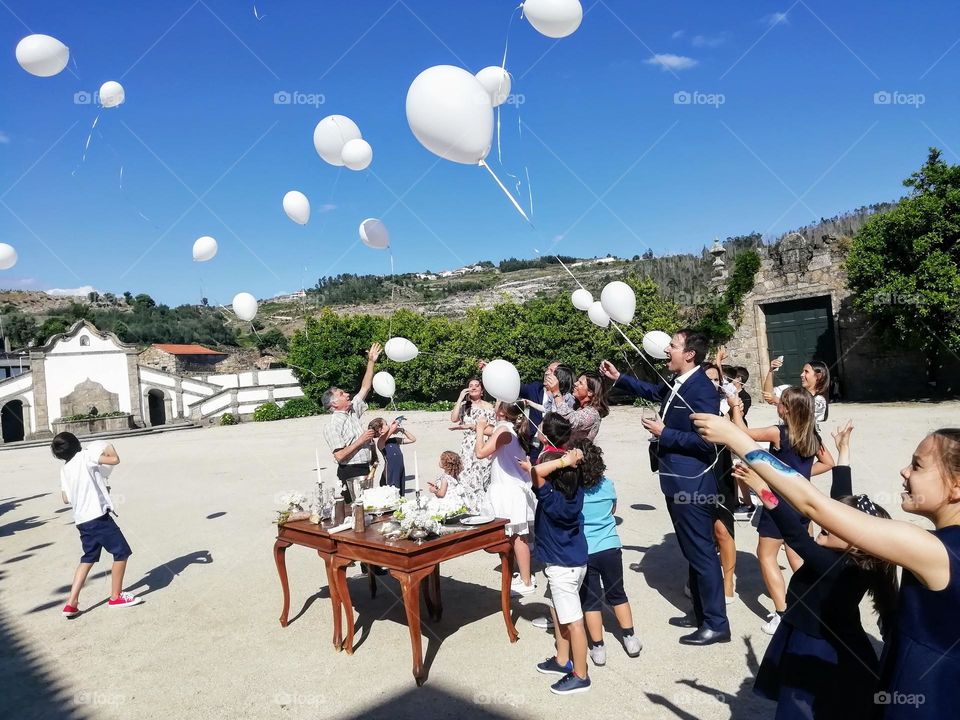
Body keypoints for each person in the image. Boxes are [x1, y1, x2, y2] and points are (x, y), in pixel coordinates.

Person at [691, 417, 960, 720]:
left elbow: (813, 506)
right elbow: (838, 501)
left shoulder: (934, 551)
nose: (904, 471)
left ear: (956, 485)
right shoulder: (934, 549)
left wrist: (737, 439)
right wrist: (843, 452)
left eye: (918, 465)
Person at [735, 421, 898, 719]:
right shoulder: (855, 556)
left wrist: (763, 490)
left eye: (837, 526)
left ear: (855, 544)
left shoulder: (834, 565)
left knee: (800, 705)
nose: (826, 523)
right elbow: (840, 499)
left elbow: (796, 537)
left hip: (813, 643)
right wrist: (843, 452)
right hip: (818, 634)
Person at [600, 328, 730, 646]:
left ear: (690, 354)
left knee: (702, 554)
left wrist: (664, 433)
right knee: (692, 552)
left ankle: (717, 623)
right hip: (676, 482)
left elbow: (708, 442)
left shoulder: (702, 389)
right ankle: (700, 613)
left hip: (693, 485)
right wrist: (619, 378)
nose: (666, 349)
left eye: (672, 345)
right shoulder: (678, 381)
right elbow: (655, 391)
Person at [728, 386, 834, 634]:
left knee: (766, 555)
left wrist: (735, 408)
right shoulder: (812, 435)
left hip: (778, 503)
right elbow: (829, 462)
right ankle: (815, 600)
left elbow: (741, 435)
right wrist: (799, 476)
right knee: (797, 553)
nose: (777, 404)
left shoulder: (779, 432)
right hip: (802, 501)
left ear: (786, 409)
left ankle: (782, 612)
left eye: (781, 402)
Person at [530, 441, 604, 695]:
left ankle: (581, 675)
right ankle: (562, 660)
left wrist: (563, 460)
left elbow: (535, 472)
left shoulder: (551, 499)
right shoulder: (576, 490)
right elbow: (539, 471)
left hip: (562, 570)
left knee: (574, 623)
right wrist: (571, 461)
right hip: (574, 563)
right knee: (556, 610)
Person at [53, 433, 141, 617]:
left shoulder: (65, 469)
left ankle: (71, 603)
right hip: (98, 518)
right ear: (77, 444)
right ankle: (116, 597)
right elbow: (114, 459)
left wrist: (95, 488)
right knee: (122, 552)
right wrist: (107, 445)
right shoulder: (86, 455)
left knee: (88, 558)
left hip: (82, 521)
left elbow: (66, 498)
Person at [578, 442, 643, 664]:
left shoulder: (574, 492)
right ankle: (630, 637)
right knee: (618, 594)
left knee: (591, 600)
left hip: (586, 550)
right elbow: (613, 510)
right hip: (611, 547)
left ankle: (598, 647)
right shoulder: (608, 485)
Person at [475, 402, 537, 596]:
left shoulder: (503, 430)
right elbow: (493, 435)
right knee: (514, 535)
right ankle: (522, 574)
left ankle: (526, 581)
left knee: (518, 536)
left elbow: (480, 453)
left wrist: (479, 430)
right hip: (510, 487)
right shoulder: (509, 428)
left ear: (502, 411)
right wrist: (473, 426)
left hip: (508, 489)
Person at [321, 342, 381, 503]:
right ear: (334, 403)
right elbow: (339, 456)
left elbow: (365, 387)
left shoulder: (353, 410)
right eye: (342, 394)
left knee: (368, 508)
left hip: (365, 467)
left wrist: (371, 361)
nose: (347, 394)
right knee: (354, 511)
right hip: (349, 471)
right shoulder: (332, 425)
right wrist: (361, 440)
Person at [702, 362, 738, 606]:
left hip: (721, 473)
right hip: (696, 475)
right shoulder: (688, 405)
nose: (713, 384)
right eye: (708, 379)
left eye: (716, 380)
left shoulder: (726, 406)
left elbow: (741, 438)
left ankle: (728, 582)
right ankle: (700, 579)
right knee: (702, 532)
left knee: (723, 530)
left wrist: (733, 411)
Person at [450, 377, 496, 514]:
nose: (474, 387)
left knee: (483, 477)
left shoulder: (489, 406)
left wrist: (475, 427)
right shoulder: (465, 406)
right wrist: (460, 398)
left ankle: (484, 510)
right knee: (466, 477)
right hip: (468, 447)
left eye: (477, 385)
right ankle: (471, 510)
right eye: (471, 385)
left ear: (482, 390)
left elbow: (494, 428)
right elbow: (454, 419)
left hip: (484, 444)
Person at [518, 361, 575, 460]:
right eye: (547, 369)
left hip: (555, 444)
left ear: (560, 377)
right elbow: (544, 408)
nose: (547, 373)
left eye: (552, 371)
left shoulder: (567, 398)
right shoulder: (535, 388)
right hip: (534, 444)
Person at [763, 357, 830, 425]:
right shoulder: (792, 391)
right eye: (803, 371)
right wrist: (771, 370)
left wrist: (779, 401)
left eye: (806, 372)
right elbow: (768, 394)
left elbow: (802, 416)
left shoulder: (820, 401)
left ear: (818, 376)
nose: (801, 375)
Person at [547, 371, 609, 444]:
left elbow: (571, 421)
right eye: (577, 381)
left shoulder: (592, 414)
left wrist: (556, 392)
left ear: (590, 392)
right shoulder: (579, 407)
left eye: (580, 383)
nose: (575, 384)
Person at [370, 417, 416, 493]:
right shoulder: (380, 442)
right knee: (391, 493)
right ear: (380, 430)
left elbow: (412, 439)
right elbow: (393, 428)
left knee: (400, 493)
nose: (388, 425)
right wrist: (397, 421)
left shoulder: (394, 440)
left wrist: (402, 430)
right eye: (385, 424)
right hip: (390, 473)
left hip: (400, 471)